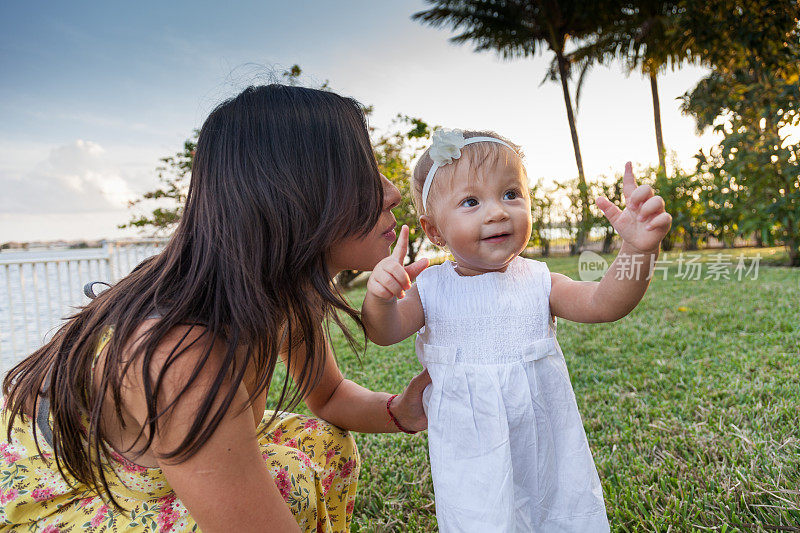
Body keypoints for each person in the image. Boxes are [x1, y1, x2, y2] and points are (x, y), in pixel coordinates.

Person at [0, 84, 431, 533]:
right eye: (361, 173)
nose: (393, 192)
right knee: (288, 481)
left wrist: (401, 410)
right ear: (292, 196)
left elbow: (328, 395)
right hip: (58, 485)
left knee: (323, 445)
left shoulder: (288, 291)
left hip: (147, 458)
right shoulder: (181, 355)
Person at [362, 128, 672, 532]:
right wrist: (381, 298)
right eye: (471, 201)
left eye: (511, 194)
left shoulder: (541, 281)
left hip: (545, 442)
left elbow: (605, 303)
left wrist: (639, 250)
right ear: (434, 230)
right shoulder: (431, 290)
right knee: (479, 517)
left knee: (555, 512)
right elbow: (384, 332)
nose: (497, 211)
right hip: (470, 449)